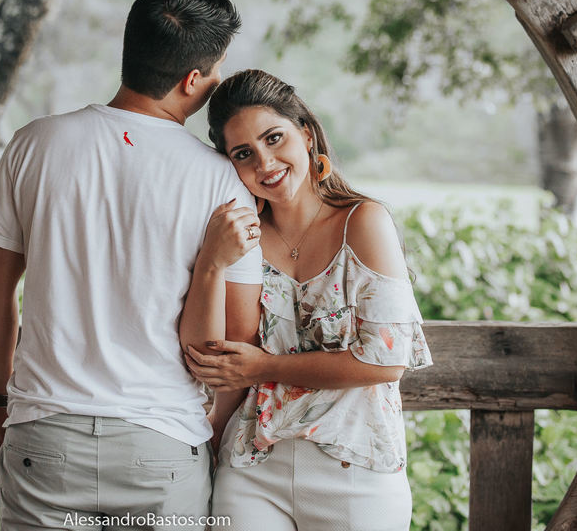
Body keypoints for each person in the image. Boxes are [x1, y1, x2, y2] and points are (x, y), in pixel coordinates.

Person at [0, 0, 265, 531]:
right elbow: (236, 335)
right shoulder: (221, 180)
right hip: (162, 446)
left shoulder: (34, 144)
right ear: (192, 81)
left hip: (44, 437)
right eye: (217, 69)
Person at [183, 69, 432, 531]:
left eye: (274, 138)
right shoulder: (244, 239)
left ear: (306, 134)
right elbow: (233, 360)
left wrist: (265, 367)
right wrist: (213, 442)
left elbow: (386, 362)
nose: (265, 162)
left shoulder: (363, 221)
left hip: (355, 470)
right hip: (251, 470)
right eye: (243, 153)